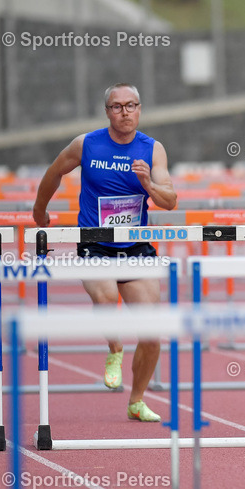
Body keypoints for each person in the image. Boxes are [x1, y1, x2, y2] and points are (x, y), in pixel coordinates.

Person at [33, 83, 178, 423]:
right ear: (107, 111)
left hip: (134, 247)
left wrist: (149, 186)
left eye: (131, 105)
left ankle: (136, 401)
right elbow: (54, 173)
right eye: (117, 106)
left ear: (140, 109)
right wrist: (40, 211)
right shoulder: (86, 144)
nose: (124, 112)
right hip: (95, 242)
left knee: (152, 335)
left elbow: (170, 201)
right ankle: (114, 348)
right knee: (105, 296)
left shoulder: (153, 150)